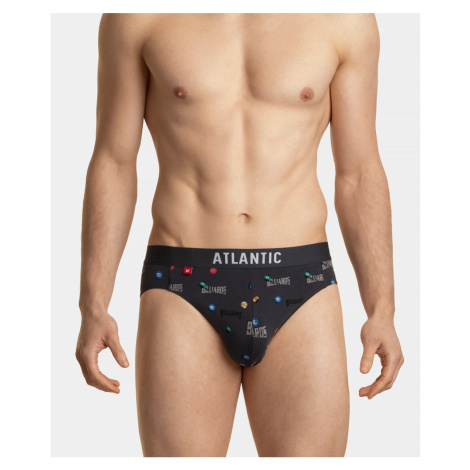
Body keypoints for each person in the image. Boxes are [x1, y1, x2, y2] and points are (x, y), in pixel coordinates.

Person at [75, 13, 404, 457]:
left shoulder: (343, 19)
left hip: (301, 283)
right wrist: (93, 305)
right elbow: (114, 160)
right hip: (183, 282)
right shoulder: (139, 15)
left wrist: (382, 309)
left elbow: (358, 171)